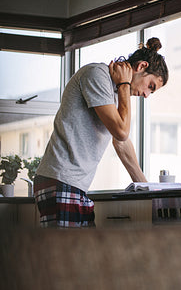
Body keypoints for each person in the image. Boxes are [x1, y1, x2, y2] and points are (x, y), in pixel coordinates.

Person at [33, 37, 168, 228]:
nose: (146, 95)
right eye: (151, 86)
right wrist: (124, 85)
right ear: (141, 66)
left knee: (84, 254)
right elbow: (121, 131)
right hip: (61, 179)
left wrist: (147, 189)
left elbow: (121, 143)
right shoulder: (97, 75)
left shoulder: (112, 91)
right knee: (64, 255)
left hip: (73, 184)